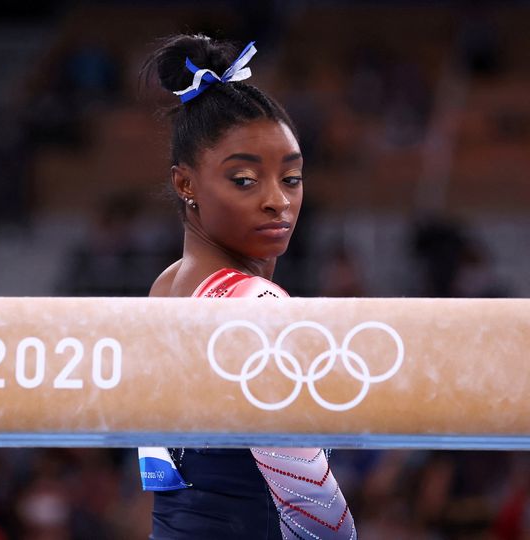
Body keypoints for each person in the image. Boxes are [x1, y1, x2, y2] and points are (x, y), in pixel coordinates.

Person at [137, 35, 355, 539]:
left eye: (292, 178)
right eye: (244, 180)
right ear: (185, 183)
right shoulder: (257, 307)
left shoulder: (166, 287)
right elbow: (316, 512)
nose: (277, 201)